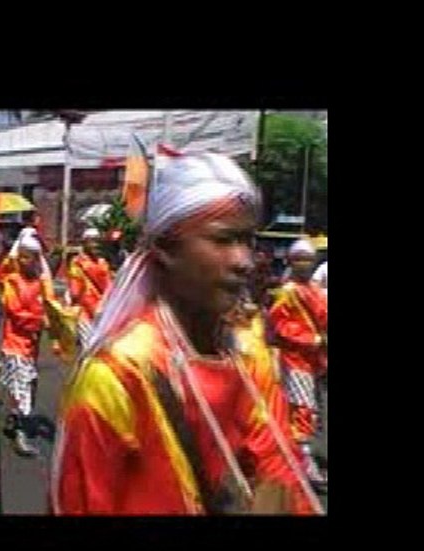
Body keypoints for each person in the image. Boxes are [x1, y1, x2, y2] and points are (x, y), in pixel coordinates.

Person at [52, 153, 322, 515]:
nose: (243, 260)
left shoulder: (246, 356)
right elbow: (80, 503)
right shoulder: (117, 375)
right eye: (223, 240)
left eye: (247, 240)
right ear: (164, 250)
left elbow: (279, 472)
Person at [268, 239, 328, 485]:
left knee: (313, 411)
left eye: (308, 258)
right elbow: (281, 327)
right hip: (296, 360)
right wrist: (314, 339)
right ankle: (303, 464)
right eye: (299, 258)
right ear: (291, 262)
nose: (304, 263)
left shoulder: (313, 290)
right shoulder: (288, 291)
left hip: (314, 361)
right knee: (303, 410)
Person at [0, 234, 49, 457]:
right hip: (14, 344)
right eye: (23, 257)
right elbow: (16, 312)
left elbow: (47, 307)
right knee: (23, 389)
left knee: (28, 386)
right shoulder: (12, 281)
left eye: (31, 258)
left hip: (32, 346)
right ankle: (21, 435)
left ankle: (15, 420)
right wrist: (40, 320)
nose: (26, 262)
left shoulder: (39, 282)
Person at [67, 227, 112, 345]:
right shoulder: (103, 264)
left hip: (85, 313)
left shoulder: (77, 263)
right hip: (102, 313)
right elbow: (110, 289)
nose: (95, 244)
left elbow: (74, 293)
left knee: (88, 350)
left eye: (97, 241)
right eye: (93, 241)